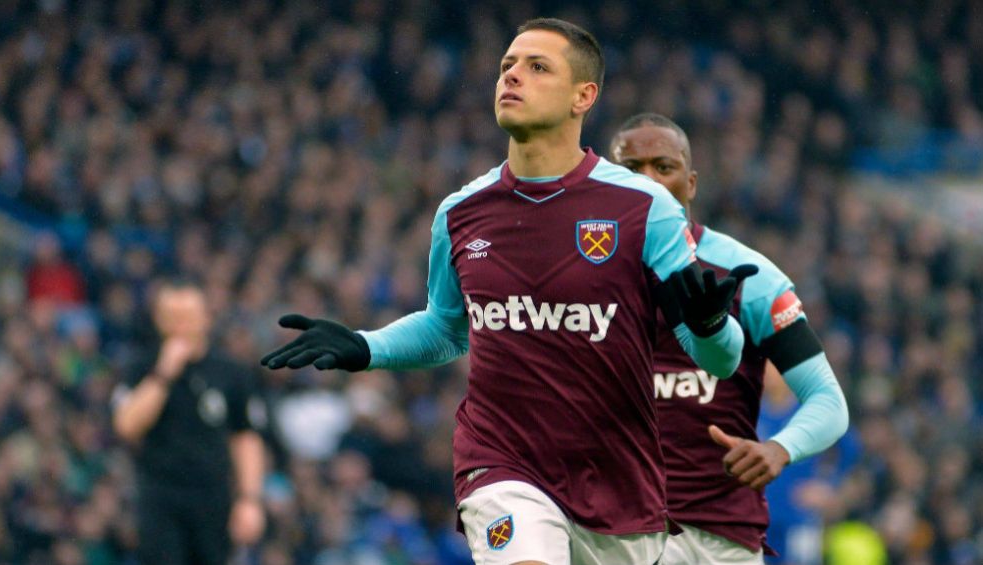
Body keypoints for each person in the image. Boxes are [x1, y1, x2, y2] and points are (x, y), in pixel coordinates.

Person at [263, 19, 756, 565]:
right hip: (502, 462)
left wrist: (711, 325)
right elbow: (448, 328)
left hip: (618, 477)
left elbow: (721, 360)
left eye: (537, 67)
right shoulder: (461, 212)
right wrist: (367, 346)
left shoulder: (643, 208)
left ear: (582, 96)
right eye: (507, 66)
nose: (512, 76)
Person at [610, 113, 849, 564]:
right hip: (606, 535)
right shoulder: (572, 279)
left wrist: (780, 448)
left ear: (691, 183)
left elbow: (828, 400)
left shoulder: (748, 275)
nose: (648, 181)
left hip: (717, 541)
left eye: (663, 167)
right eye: (629, 169)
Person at [112, 278, 266, 565]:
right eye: (172, 317)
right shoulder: (140, 366)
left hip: (213, 496)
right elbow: (126, 425)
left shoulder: (231, 371)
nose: (180, 326)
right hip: (160, 494)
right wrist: (164, 373)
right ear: (159, 320)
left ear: (206, 318)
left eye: (188, 317)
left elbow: (246, 437)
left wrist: (249, 499)